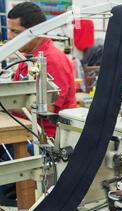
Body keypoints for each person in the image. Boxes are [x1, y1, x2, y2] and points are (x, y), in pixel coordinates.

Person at [7, 2, 76, 138]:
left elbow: (47, 109)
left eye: (15, 31)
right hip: (26, 129)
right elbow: (20, 96)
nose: (9, 37)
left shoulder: (51, 60)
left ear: (36, 31)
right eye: (9, 30)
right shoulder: (30, 57)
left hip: (47, 138)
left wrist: (5, 103)